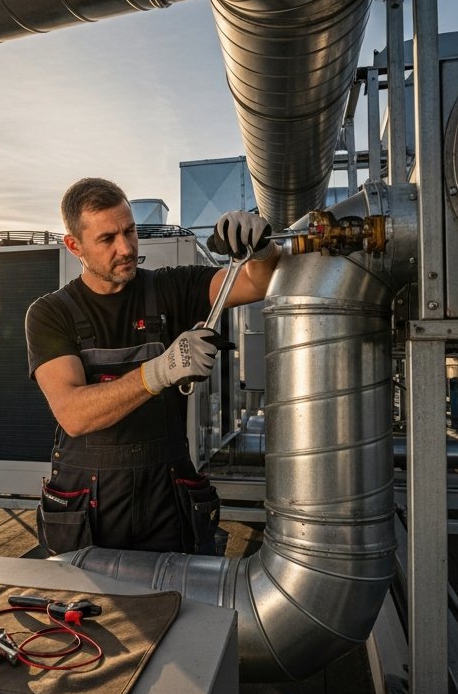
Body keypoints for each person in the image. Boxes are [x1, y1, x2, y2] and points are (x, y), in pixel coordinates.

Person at [25, 177, 278, 556]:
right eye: (107, 239)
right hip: (90, 513)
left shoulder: (170, 289)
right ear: (75, 246)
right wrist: (161, 371)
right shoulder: (50, 314)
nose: (126, 248)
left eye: (129, 231)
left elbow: (256, 284)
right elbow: (74, 414)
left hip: (168, 503)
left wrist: (262, 250)